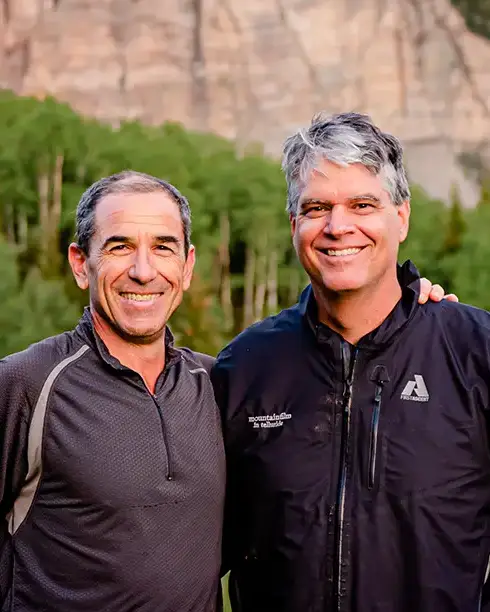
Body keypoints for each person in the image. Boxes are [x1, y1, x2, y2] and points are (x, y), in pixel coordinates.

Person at [212, 112, 488, 612]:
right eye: (317, 208)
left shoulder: (475, 353)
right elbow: (192, 551)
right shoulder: (244, 368)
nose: (339, 227)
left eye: (363, 204)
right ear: (295, 224)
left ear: (401, 217)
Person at [0, 171, 225, 612]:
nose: (144, 272)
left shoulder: (219, 385)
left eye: (163, 247)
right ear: (81, 264)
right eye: (120, 246)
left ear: (188, 266)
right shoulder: (26, 383)